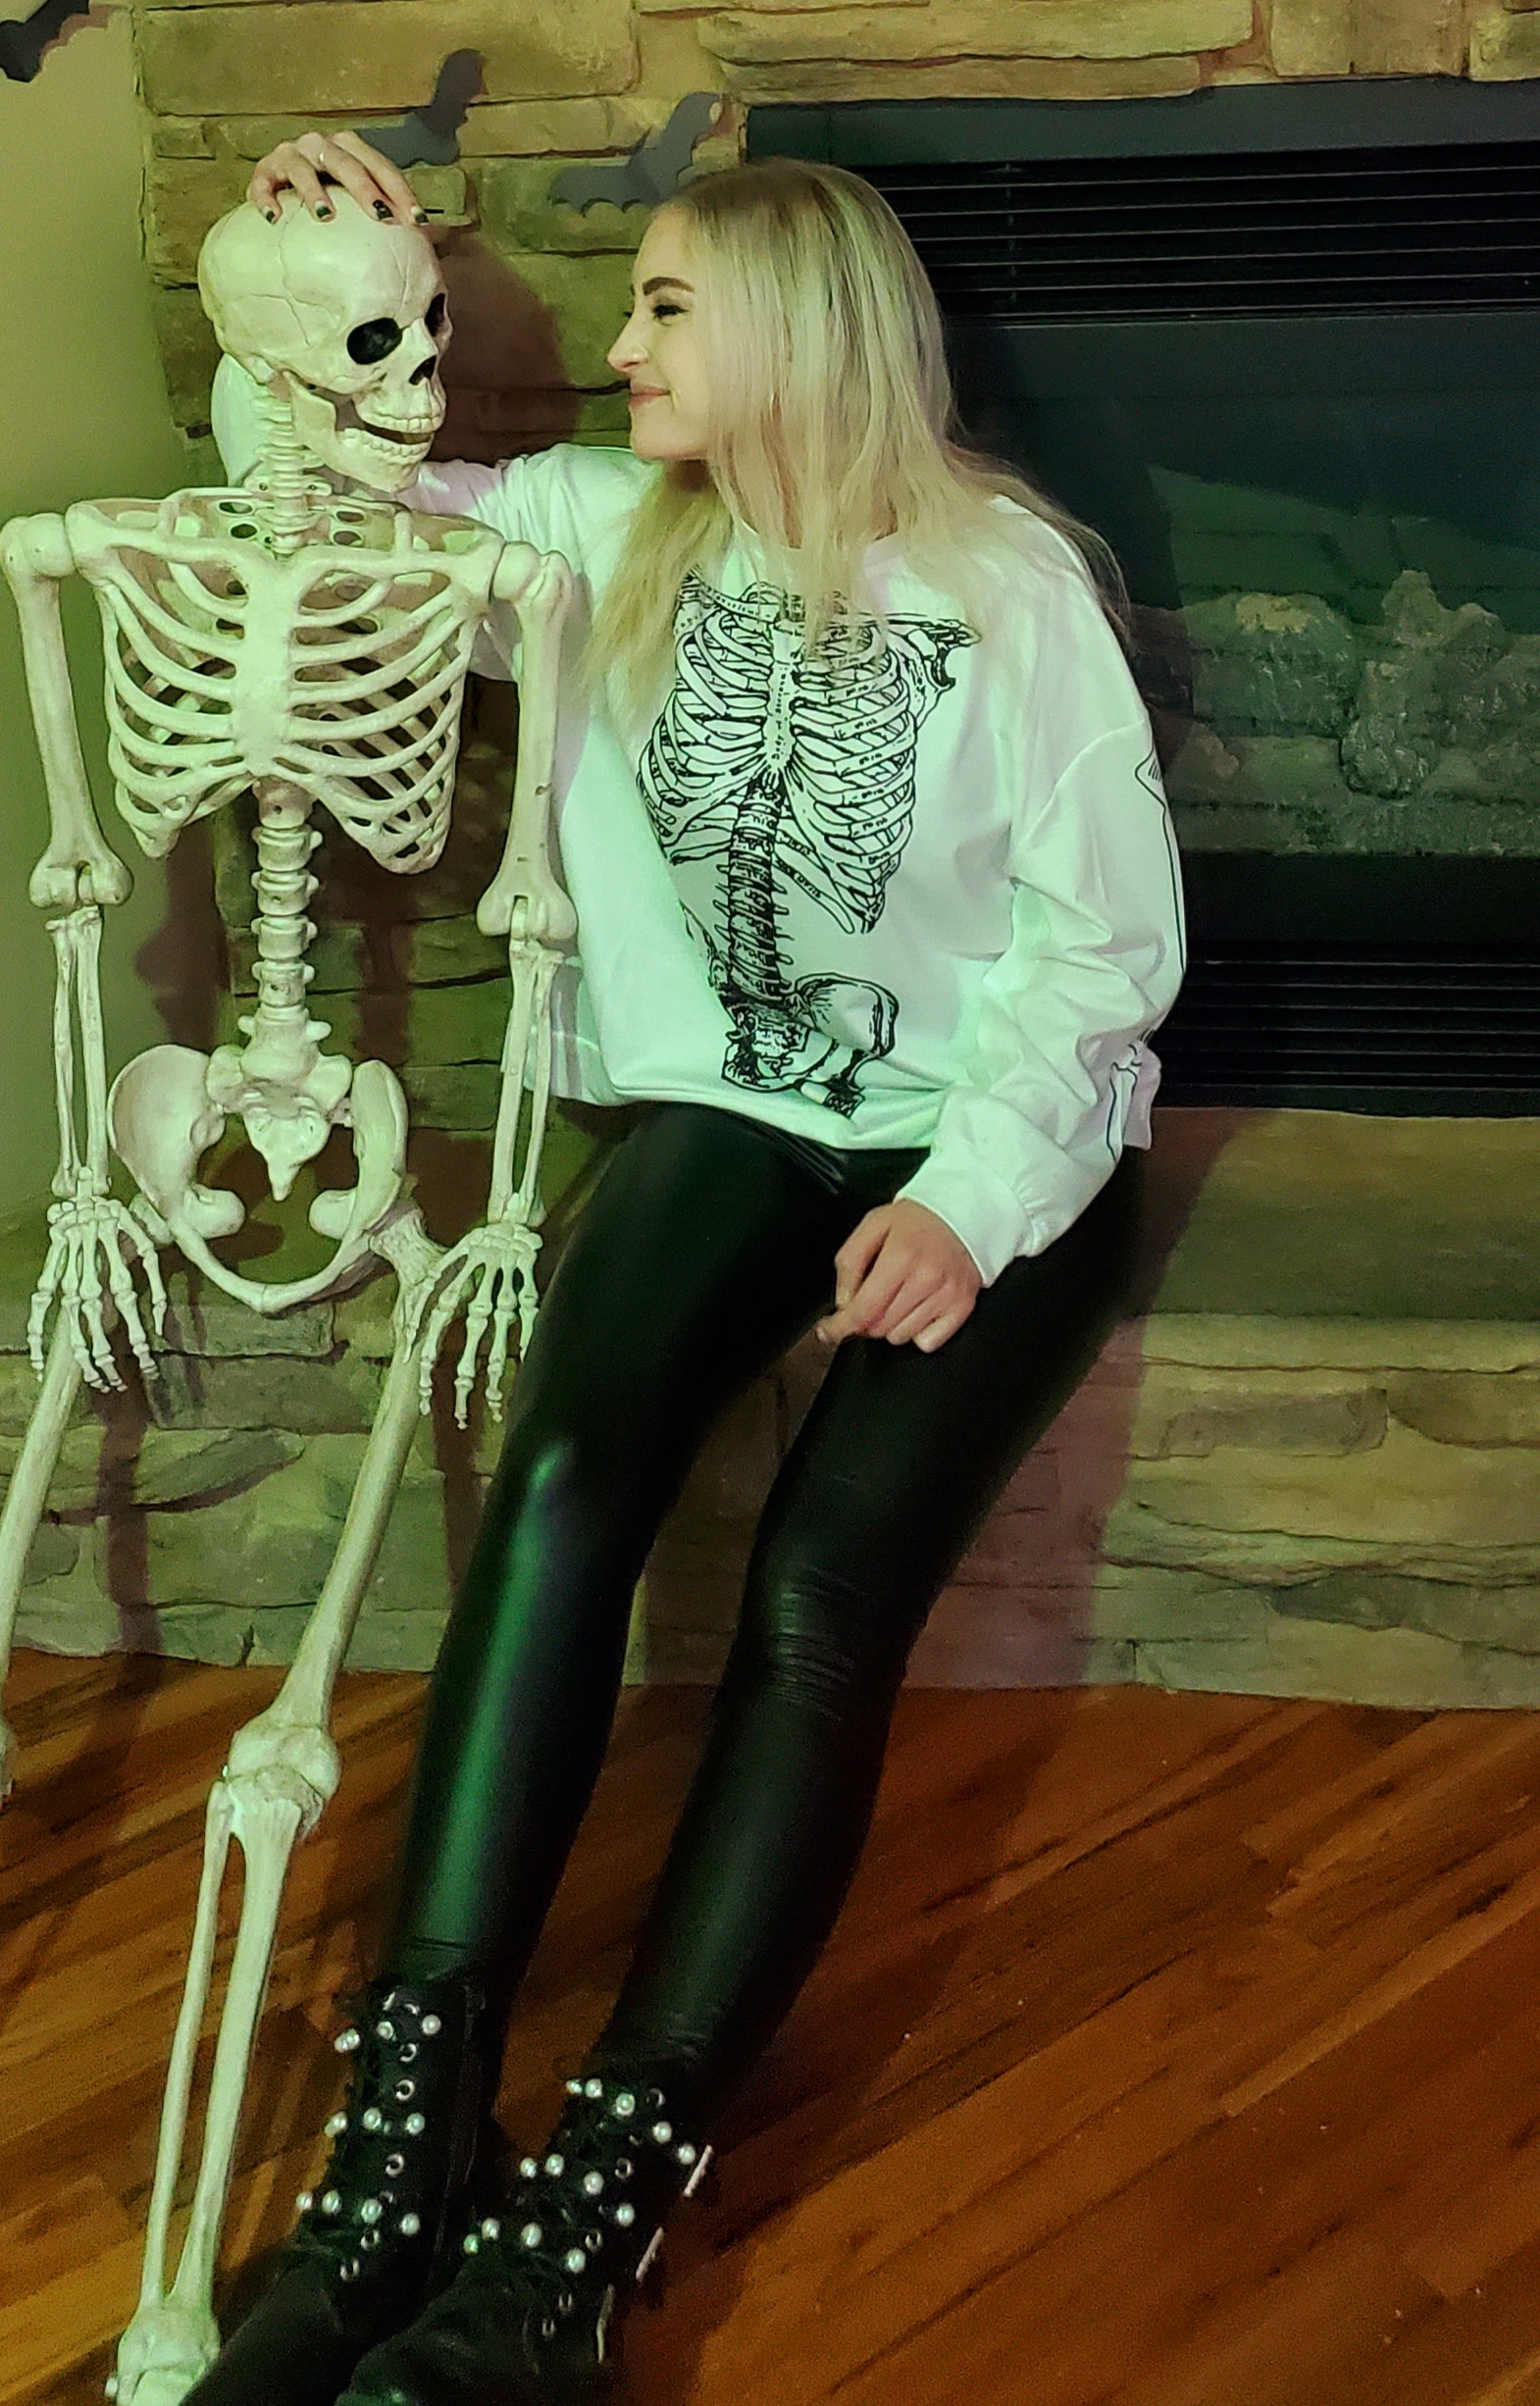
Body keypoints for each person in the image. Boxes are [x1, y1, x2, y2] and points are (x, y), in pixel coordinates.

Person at [180, 128, 1189, 2406]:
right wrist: (308, 249)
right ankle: (405, 2148)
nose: (616, 347)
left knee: (820, 1585)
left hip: (993, 1132)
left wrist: (968, 1199)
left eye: (659, 308)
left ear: (795, 335)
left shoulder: (1011, 585)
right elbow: (310, 496)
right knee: (559, 1480)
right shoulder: (596, 531)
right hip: (738, 1115)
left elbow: (1099, 946)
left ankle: (590, 2220)